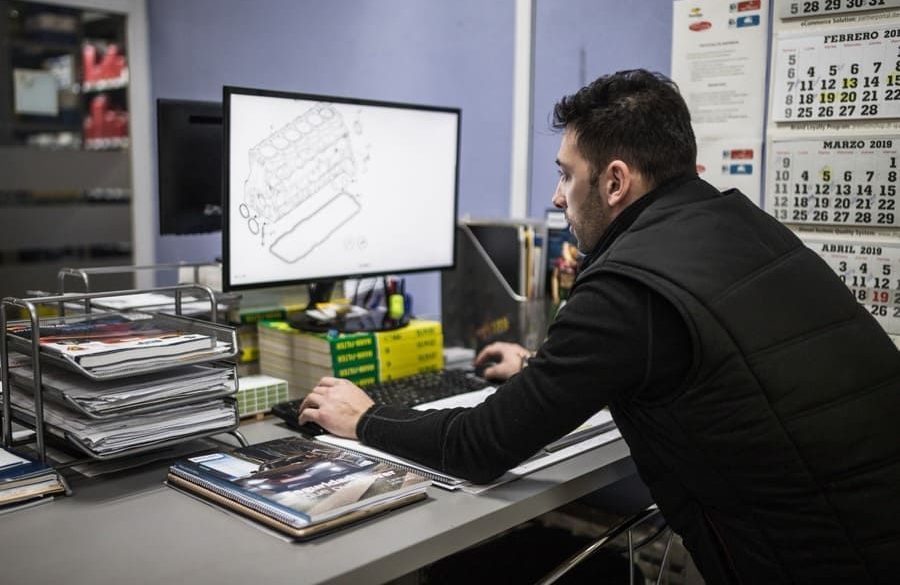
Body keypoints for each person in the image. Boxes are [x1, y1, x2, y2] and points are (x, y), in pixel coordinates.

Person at [299, 69, 900, 583]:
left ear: (615, 182)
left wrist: (365, 418)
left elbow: (480, 445)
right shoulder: (740, 224)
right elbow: (707, 361)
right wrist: (544, 371)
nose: (558, 196)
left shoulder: (626, 283)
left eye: (566, 174)